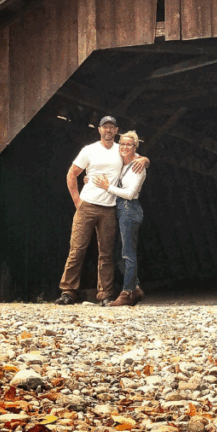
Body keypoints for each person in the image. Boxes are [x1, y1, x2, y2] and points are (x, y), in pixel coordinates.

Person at [54, 117, 148, 306]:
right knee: (77, 248)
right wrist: (77, 201)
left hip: (110, 207)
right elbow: (72, 174)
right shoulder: (89, 150)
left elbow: (135, 158)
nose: (108, 130)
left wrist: (146, 160)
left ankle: (104, 294)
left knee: (106, 253)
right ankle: (68, 291)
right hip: (87, 204)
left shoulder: (120, 150)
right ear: (99, 129)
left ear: (116, 130)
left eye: (111, 127)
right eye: (105, 127)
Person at [93, 130, 146, 308]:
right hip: (121, 209)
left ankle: (126, 293)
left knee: (128, 254)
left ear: (135, 146)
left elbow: (130, 194)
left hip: (130, 208)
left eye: (128, 144)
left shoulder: (138, 167)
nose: (124, 147)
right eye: (122, 144)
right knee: (118, 255)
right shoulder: (124, 164)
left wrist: (108, 187)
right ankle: (136, 287)